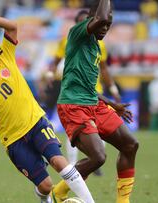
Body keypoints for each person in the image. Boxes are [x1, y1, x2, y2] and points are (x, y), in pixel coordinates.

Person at [0, 6, 95, 203]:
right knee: (45, 186)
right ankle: (45, 198)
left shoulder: (5, 55)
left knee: (59, 162)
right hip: (13, 141)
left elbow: (12, 26)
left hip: (36, 122)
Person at [52, 1, 139, 203]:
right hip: (73, 106)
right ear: (92, 20)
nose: (105, 28)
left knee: (130, 145)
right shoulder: (77, 33)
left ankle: (123, 201)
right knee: (98, 157)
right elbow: (100, 17)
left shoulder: (97, 48)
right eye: (102, 23)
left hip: (93, 104)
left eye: (109, 25)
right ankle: (59, 191)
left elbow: (88, 88)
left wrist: (113, 104)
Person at [47, 9, 121, 177]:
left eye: (86, 21)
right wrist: (50, 75)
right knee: (76, 131)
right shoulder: (68, 40)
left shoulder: (100, 43)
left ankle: (93, 161)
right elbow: (55, 61)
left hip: (96, 93)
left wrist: (113, 89)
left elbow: (104, 69)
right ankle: (74, 164)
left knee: (103, 132)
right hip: (75, 94)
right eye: (80, 21)